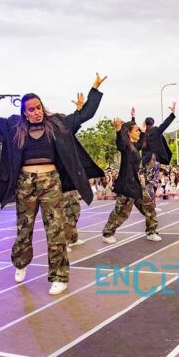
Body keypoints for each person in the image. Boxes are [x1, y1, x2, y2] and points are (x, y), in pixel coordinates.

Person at [0, 75, 102, 295]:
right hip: (25, 183)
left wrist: (94, 89)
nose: (36, 112)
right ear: (24, 112)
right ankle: (21, 262)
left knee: (56, 229)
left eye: (38, 107)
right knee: (24, 228)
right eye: (31, 109)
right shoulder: (13, 126)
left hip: (51, 182)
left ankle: (59, 276)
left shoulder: (57, 123)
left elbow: (84, 115)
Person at [102, 117, 161, 244]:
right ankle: (107, 233)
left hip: (138, 186)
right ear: (129, 133)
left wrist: (143, 131)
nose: (138, 132)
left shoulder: (134, 146)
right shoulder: (126, 146)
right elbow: (120, 143)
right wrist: (118, 129)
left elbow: (140, 143)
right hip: (127, 186)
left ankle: (151, 232)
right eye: (136, 130)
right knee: (121, 213)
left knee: (149, 207)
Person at [62, 80, 106, 249]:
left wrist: (93, 90)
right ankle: (63, 240)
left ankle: (72, 237)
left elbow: (80, 118)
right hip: (58, 180)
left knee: (75, 208)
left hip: (70, 178)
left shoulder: (64, 130)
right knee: (61, 212)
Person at [132, 103, 176, 203]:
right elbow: (165, 124)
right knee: (152, 182)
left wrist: (133, 116)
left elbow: (133, 128)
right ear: (153, 123)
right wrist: (172, 113)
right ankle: (150, 201)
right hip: (154, 160)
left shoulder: (142, 132)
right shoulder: (156, 131)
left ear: (145, 124)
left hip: (144, 161)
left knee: (146, 182)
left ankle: (147, 199)